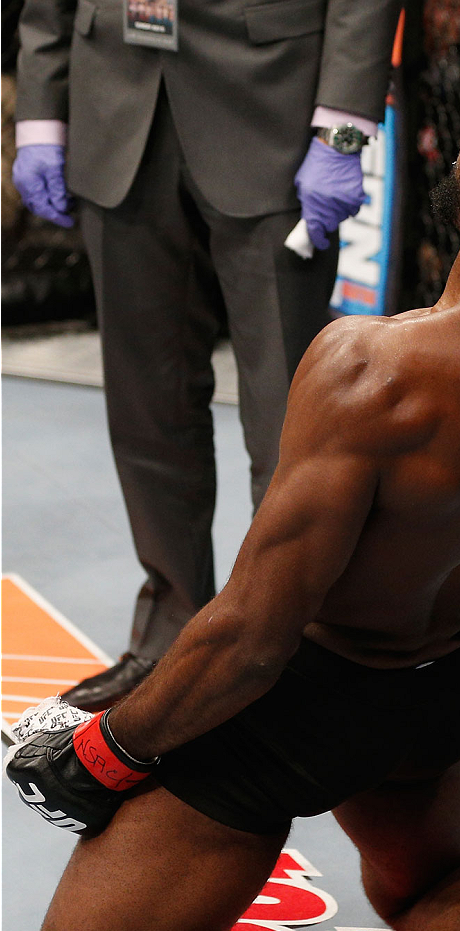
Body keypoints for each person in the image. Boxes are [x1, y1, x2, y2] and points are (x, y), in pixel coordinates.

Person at [5, 80, 460, 931]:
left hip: (299, 696)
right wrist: (430, 625)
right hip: (443, 683)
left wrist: (106, 750)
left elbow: (252, 635)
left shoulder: (375, 371)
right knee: (432, 882)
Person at [11, 0, 402, 710]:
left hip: (272, 110)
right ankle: (169, 639)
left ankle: (295, 649)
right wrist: (41, 108)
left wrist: (342, 124)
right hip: (116, 99)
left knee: (290, 419)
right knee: (145, 405)